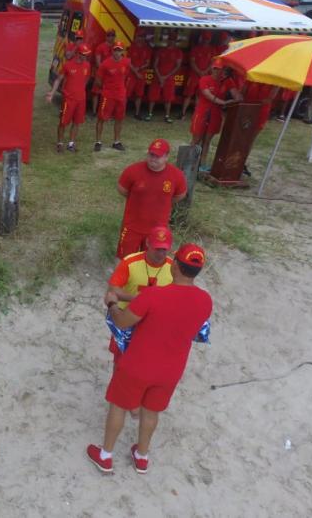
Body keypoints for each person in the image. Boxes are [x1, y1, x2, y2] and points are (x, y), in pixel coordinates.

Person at [87, 243, 212, 475]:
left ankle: (105, 455)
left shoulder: (153, 296)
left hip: (138, 364)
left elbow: (123, 321)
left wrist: (112, 302)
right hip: (171, 370)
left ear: (174, 265)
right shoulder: (206, 301)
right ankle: (142, 456)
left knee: (119, 406)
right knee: (151, 411)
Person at [104, 226, 173, 363]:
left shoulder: (173, 267)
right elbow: (112, 290)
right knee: (120, 360)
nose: (160, 253)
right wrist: (138, 299)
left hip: (154, 322)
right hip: (127, 317)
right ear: (147, 243)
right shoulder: (130, 262)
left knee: (147, 360)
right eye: (157, 248)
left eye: (164, 249)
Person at [116, 139, 187, 258]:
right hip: (132, 226)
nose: (153, 158)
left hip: (158, 229)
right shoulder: (132, 171)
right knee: (125, 259)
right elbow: (122, 189)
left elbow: (180, 195)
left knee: (151, 259)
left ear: (166, 157)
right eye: (151, 154)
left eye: (158, 156)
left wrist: (163, 201)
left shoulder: (176, 175)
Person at [46, 42, 91, 153]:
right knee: (63, 122)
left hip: (81, 99)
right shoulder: (68, 65)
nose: (85, 56)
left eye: (86, 54)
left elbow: (87, 78)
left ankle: (71, 143)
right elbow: (58, 80)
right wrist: (52, 93)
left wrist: (81, 88)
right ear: (78, 54)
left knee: (77, 122)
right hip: (68, 99)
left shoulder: (87, 65)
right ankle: (60, 143)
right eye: (83, 54)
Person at [190, 60, 232, 164]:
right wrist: (224, 102)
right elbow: (207, 95)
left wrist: (237, 99)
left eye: (220, 69)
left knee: (207, 140)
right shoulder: (204, 79)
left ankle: (202, 162)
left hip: (216, 114)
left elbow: (236, 94)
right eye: (215, 69)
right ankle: (189, 161)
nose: (217, 71)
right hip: (202, 112)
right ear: (212, 69)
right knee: (196, 139)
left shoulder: (228, 81)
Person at [94, 41, 131, 152]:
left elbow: (127, 77)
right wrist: (106, 88)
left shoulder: (126, 62)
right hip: (108, 96)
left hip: (120, 96)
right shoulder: (105, 64)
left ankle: (116, 141)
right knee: (102, 118)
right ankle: (98, 141)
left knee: (119, 119)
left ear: (122, 51)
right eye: (115, 50)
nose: (117, 52)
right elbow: (97, 80)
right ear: (112, 51)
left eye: (119, 50)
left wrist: (123, 90)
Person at [146, 30, 182, 123]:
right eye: (170, 39)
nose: (171, 41)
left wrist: (165, 77)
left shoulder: (178, 52)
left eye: (173, 40)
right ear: (167, 40)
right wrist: (160, 76)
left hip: (169, 78)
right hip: (158, 77)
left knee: (168, 98)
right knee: (153, 96)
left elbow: (177, 66)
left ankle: (167, 116)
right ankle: (149, 114)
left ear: (175, 41)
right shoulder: (160, 50)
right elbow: (155, 64)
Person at [180, 31, 214, 119]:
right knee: (188, 95)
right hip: (194, 75)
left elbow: (212, 63)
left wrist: (205, 71)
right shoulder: (196, 49)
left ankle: (196, 114)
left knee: (199, 96)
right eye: (205, 39)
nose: (206, 41)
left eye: (207, 39)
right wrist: (200, 72)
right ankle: (183, 113)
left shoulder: (212, 50)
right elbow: (192, 61)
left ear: (210, 40)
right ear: (201, 39)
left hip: (205, 76)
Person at [126, 30, 152, 120]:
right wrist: (136, 71)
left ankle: (137, 113)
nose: (140, 38)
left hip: (141, 75)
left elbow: (147, 63)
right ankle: (121, 111)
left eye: (142, 37)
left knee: (139, 95)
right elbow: (128, 62)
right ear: (136, 37)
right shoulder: (132, 47)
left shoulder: (147, 49)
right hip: (131, 74)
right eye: (139, 36)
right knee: (126, 94)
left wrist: (139, 69)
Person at [91, 29, 116, 117]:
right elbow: (98, 63)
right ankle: (94, 112)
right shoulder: (100, 47)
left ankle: (105, 112)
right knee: (96, 93)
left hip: (112, 76)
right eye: (109, 35)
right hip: (101, 74)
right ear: (106, 36)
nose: (111, 37)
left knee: (109, 95)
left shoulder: (116, 48)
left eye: (113, 35)